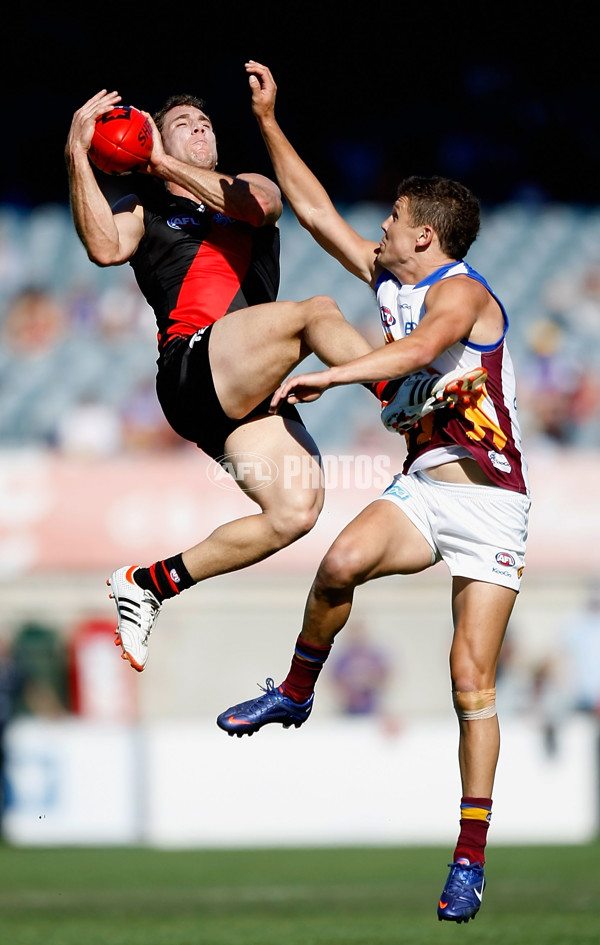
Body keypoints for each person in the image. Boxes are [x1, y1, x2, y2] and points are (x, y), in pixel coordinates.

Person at [217, 62, 531, 925]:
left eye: (394, 219)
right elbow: (314, 211)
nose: (381, 228)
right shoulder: (392, 281)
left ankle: (469, 859)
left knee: (471, 679)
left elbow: (415, 351)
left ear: (426, 236)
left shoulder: (458, 292)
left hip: (491, 503)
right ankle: (295, 689)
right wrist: (271, 121)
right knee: (339, 563)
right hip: (426, 487)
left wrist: (335, 373)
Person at [65, 77, 382, 673]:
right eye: (184, 123)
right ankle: (400, 394)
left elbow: (262, 207)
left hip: (242, 389)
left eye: (206, 124)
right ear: (154, 135)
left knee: (295, 512)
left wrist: (160, 159)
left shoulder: (247, 185)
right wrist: (77, 155)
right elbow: (104, 249)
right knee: (315, 313)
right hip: (192, 368)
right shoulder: (141, 206)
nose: (201, 129)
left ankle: (151, 583)